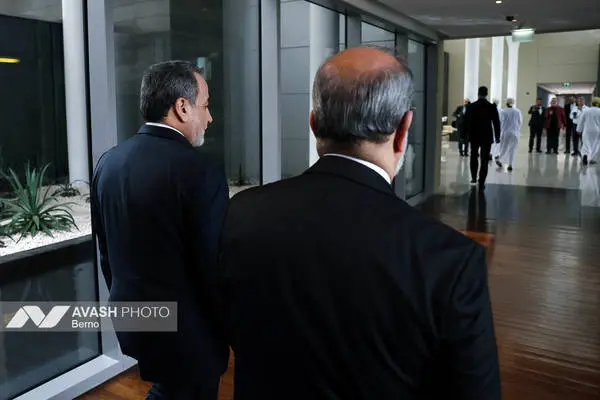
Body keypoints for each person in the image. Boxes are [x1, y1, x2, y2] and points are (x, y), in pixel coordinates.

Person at [219, 46, 501, 400]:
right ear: (404, 129)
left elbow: (223, 321)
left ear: (314, 124)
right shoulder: (449, 259)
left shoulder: (243, 212)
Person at [90, 60, 229, 400]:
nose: (210, 117)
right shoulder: (201, 170)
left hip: (134, 319)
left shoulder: (108, 162)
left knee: (169, 389)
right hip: (189, 333)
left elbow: (106, 253)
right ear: (182, 107)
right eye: (205, 105)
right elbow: (212, 267)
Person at [464, 86, 501, 190]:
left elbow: (465, 122)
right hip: (486, 136)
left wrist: (463, 135)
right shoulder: (491, 107)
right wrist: (497, 136)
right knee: (484, 159)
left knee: (473, 156)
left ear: (478, 93)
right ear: (486, 94)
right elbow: (496, 123)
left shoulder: (471, 106)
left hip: (474, 135)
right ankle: (481, 181)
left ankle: (473, 178)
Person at [495, 98, 523, 171]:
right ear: (513, 103)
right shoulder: (517, 111)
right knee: (513, 149)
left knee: (504, 148)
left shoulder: (503, 111)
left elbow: (500, 121)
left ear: (506, 103)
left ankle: (498, 158)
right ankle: (510, 165)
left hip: (505, 132)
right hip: (515, 133)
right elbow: (520, 122)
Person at [577, 97, 600, 166]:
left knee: (586, 144)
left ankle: (585, 155)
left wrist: (579, 130)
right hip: (597, 131)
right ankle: (591, 159)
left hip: (587, 130)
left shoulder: (586, 111)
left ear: (592, 103)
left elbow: (581, 121)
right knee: (595, 145)